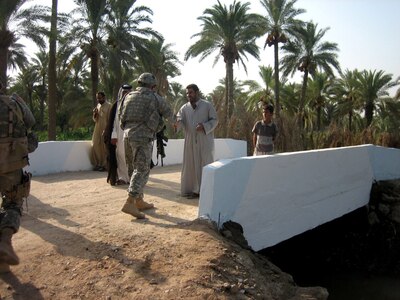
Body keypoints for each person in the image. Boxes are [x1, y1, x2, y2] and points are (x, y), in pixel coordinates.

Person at [119, 73, 172, 219]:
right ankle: (130, 202)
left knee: (132, 168)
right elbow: (169, 113)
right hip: (143, 137)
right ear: (152, 86)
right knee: (141, 169)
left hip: (127, 135)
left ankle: (139, 201)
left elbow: (120, 117)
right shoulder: (155, 98)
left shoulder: (128, 96)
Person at [0, 81, 36, 271]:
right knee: (12, 204)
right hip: (10, 162)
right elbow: (31, 122)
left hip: (11, 161)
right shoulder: (13, 102)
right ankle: (5, 241)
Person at [174, 84, 218, 199]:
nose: (189, 95)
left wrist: (204, 126)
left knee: (205, 164)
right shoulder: (184, 108)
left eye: (191, 92)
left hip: (204, 141)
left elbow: (215, 120)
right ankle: (193, 190)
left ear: (197, 92)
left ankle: (206, 190)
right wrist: (177, 123)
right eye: (187, 93)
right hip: (190, 141)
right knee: (191, 165)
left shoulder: (207, 105)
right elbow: (180, 120)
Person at [104, 84, 131, 186]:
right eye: (124, 92)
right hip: (119, 136)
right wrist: (114, 136)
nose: (126, 94)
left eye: (128, 92)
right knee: (120, 156)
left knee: (130, 158)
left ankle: (131, 178)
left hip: (131, 135)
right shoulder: (116, 105)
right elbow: (113, 123)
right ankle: (123, 178)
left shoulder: (133, 104)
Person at [90, 91, 111, 171]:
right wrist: (95, 114)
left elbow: (110, 119)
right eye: (97, 98)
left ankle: (105, 165)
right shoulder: (98, 106)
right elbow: (95, 119)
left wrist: (107, 130)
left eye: (100, 98)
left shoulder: (109, 106)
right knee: (95, 145)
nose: (98, 100)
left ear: (104, 97)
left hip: (105, 128)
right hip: (97, 128)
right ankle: (98, 163)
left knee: (104, 147)